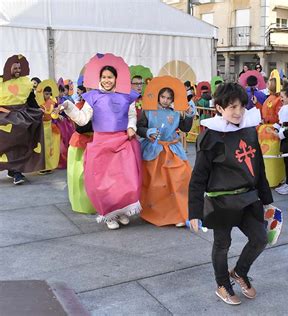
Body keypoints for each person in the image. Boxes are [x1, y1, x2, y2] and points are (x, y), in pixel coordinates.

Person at [188, 83, 273, 305]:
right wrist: (194, 212)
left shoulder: (249, 131)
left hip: (247, 199)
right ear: (218, 107)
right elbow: (197, 178)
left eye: (241, 107)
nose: (237, 112)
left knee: (260, 238)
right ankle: (222, 284)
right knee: (222, 244)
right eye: (232, 107)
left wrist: (268, 202)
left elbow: (259, 169)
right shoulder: (210, 137)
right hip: (221, 202)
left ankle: (240, 272)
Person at [60, 57, 142, 230]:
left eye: (110, 77)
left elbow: (132, 115)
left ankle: (120, 211)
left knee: (124, 179)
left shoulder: (126, 97)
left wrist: (131, 127)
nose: (107, 80)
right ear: (99, 79)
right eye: (104, 77)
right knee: (103, 182)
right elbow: (82, 120)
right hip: (101, 143)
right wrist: (68, 106)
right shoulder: (93, 97)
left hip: (122, 142)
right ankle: (108, 214)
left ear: (116, 79)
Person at [137, 78, 194, 227]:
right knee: (155, 184)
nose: (165, 100)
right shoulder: (148, 110)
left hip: (173, 150)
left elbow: (186, 128)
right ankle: (155, 212)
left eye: (169, 98)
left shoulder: (176, 112)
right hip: (153, 151)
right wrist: (148, 132)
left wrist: (188, 115)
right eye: (163, 97)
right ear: (158, 96)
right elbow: (139, 127)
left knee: (179, 179)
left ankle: (178, 213)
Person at [0, 54, 44, 185]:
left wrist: (39, 110)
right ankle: (12, 169)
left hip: (21, 117)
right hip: (4, 116)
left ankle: (16, 171)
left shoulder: (26, 83)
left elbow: (31, 101)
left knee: (20, 141)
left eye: (20, 68)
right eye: (15, 67)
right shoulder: (1, 82)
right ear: (9, 67)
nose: (18, 70)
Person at [67, 86, 95, 215]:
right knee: (79, 175)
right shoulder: (80, 105)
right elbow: (81, 126)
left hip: (96, 143)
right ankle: (84, 203)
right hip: (81, 143)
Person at [37, 84, 60, 174]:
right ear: (42, 93)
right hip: (41, 126)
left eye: (49, 94)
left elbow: (53, 113)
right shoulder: (38, 102)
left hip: (49, 126)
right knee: (42, 146)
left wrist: (57, 114)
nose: (48, 96)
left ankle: (48, 166)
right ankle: (42, 166)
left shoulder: (52, 101)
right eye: (46, 94)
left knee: (48, 146)